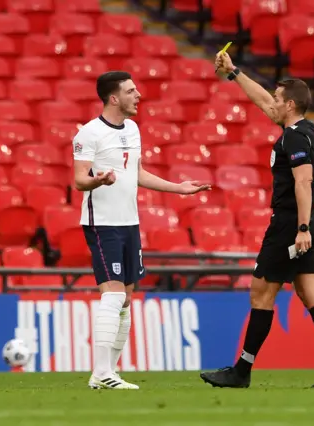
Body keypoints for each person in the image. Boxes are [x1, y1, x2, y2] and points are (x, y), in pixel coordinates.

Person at [199, 53, 314, 389]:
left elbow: (303, 181)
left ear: (290, 104)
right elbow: (262, 99)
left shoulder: (292, 138)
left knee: (261, 294)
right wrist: (235, 72)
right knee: (312, 293)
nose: (272, 103)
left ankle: (242, 372)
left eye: (278, 100)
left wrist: (303, 228)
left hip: (292, 224)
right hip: (309, 220)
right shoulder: (306, 129)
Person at [73, 71, 211, 390]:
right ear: (113, 97)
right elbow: (79, 179)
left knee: (126, 298)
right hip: (102, 223)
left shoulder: (133, 129)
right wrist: (98, 180)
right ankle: (100, 372)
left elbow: (137, 173)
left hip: (129, 222)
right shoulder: (89, 134)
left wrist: (178, 188)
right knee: (113, 294)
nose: (138, 95)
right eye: (131, 91)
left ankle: (110, 372)